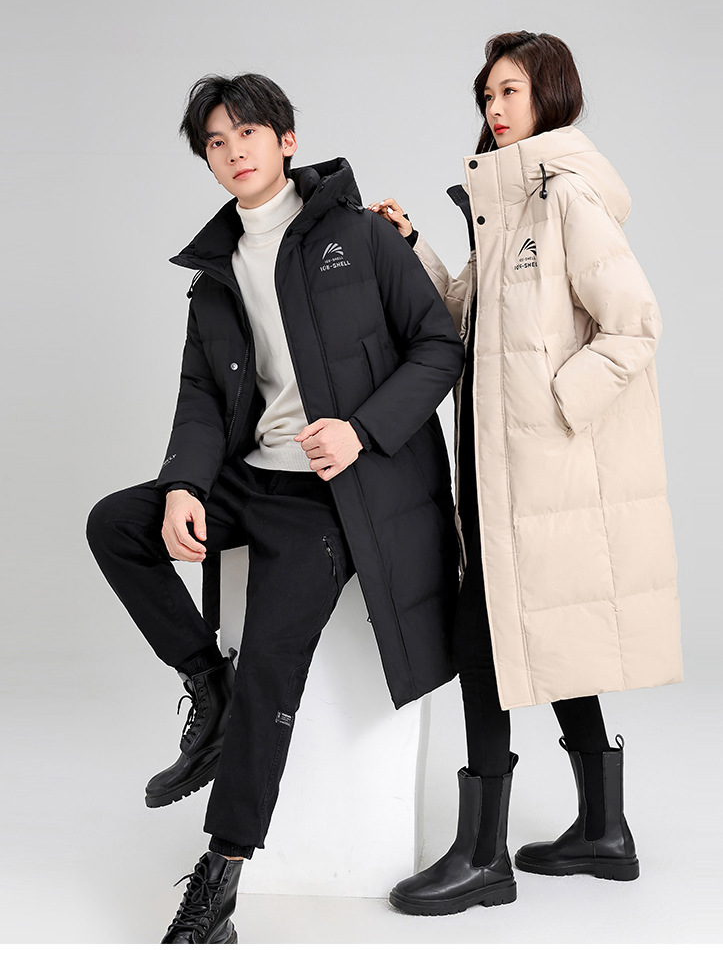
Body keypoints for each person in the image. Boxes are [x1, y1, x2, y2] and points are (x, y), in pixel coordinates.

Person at [87, 72, 464, 943]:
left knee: (273, 662)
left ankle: (219, 879)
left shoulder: (360, 238)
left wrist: (363, 432)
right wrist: (184, 484)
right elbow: (199, 391)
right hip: (247, 477)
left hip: (326, 498)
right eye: (215, 144)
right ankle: (205, 685)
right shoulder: (216, 272)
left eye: (247, 134)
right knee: (115, 523)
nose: (233, 153)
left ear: (287, 141)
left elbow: (438, 346)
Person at [371, 30, 682, 915]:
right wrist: (412, 247)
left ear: (549, 94)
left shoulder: (565, 196)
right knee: (538, 633)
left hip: (535, 472)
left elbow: (634, 324)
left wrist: (556, 403)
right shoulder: (507, 209)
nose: (494, 107)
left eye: (509, 91)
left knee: (486, 642)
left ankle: (482, 856)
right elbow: (461, 319)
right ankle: (605, 832)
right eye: (487, 94)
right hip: (494, 469)